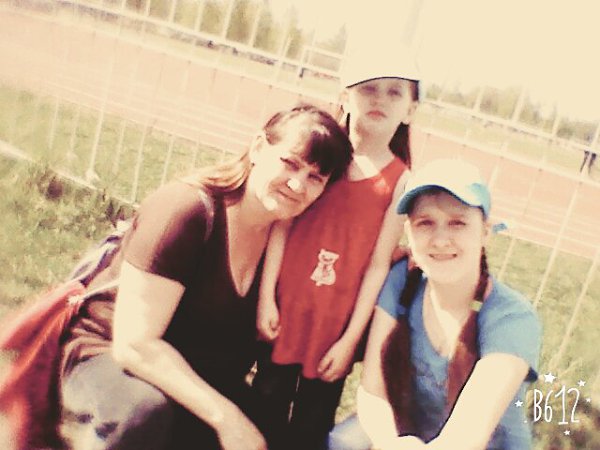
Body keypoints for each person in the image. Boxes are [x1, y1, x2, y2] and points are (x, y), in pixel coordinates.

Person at [46, 105, 353, 450]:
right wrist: (226, 418)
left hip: (196, 376)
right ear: (257, 148)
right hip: (108, 361)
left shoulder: (285, 239)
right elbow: (134, 345)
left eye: (315, 178)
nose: (297, 184)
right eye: (289, 163)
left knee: (276, 436)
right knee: (144, 416)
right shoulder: (186, 211)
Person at [252, 45, 420, 450]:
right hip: (285, 311)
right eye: (368, 89)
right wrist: (265, 298)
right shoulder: (319, 157)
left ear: (410, 110)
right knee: (262, 410)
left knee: (311, 429)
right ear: (345, 96)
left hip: (333, 326)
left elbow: (378, 264)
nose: (380, 99)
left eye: (394, 92)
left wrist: (349, 340)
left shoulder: (401, 180)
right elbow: (282, 227)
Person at [353, 159, 542, 449]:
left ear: (485, 232)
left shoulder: (512, 317)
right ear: (409, 233)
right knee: (343, 441)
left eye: (458, 223)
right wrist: (389, 442)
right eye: (425, 223)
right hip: (411, 438)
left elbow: (466, 438)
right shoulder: (401, 282)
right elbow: (371, 391)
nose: (440, 240)